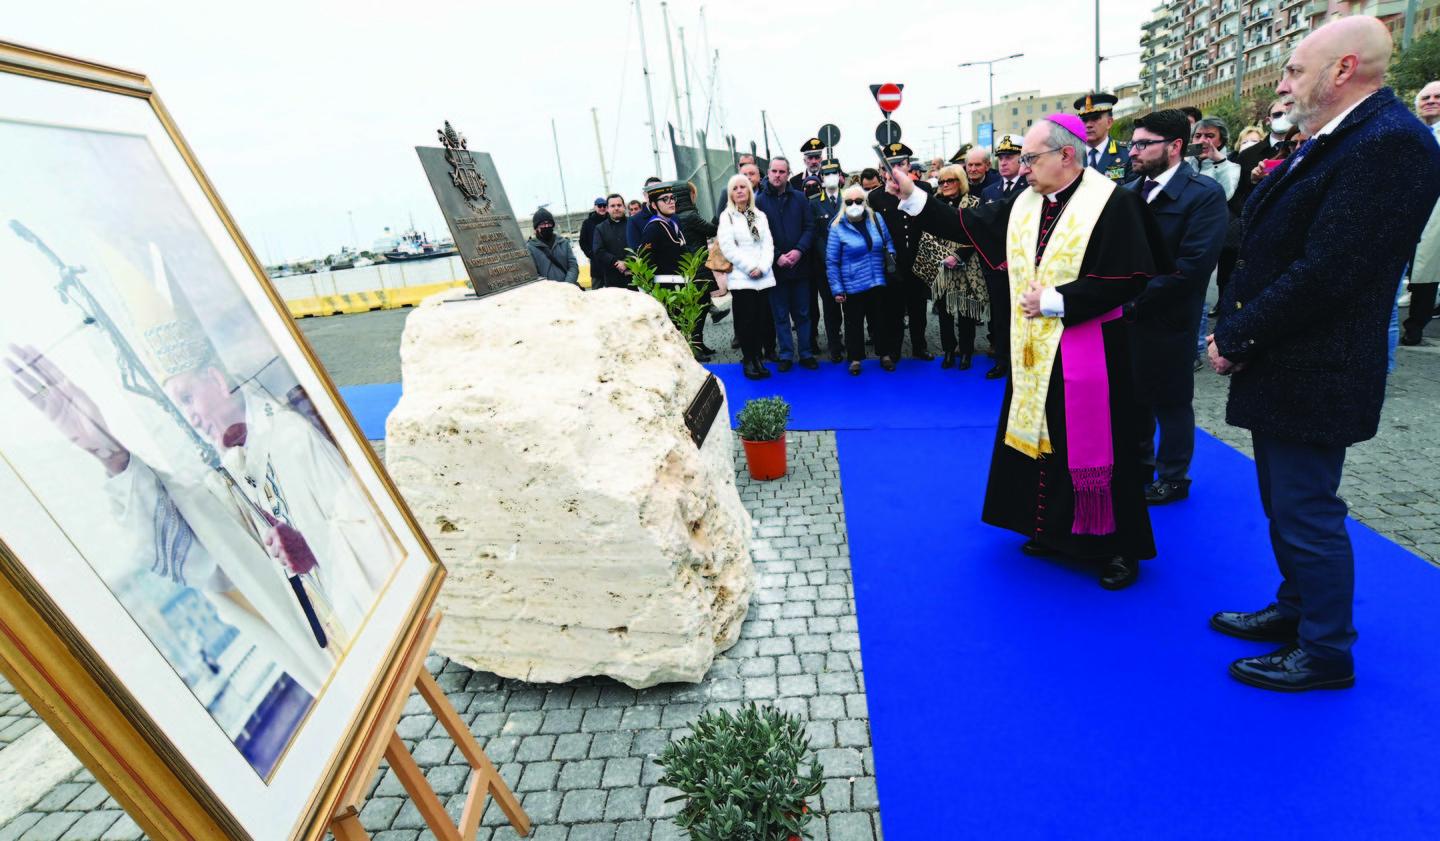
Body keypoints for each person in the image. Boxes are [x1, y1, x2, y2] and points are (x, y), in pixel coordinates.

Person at [5, 251, 400, 694]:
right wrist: (109, 452)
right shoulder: (234, 463)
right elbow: (218, 558)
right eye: (179, 407)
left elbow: (372, 529)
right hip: (335, 650)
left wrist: (312, 555)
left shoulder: (292, 437)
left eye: (189, 397)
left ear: (216, 379)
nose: (190, 416)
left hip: (371, 636)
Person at [1207, 16, 1440, 691]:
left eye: (1294, 72)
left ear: (1343, 70)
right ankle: (1296, 607)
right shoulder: (1341, 137)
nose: (1283, 86)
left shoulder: (1390, 143)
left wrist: (1238, 333)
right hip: (1288, 357)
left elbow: (1330, 270)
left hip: (1318, 361)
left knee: (1308, 508)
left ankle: (1325, 649)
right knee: (1285, 500)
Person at [888, 113, 1171, 590]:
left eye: (1031, 158)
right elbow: (966, 224)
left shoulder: (1112, 203)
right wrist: (912, 196)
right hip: (1034, 349)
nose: (1022, 167)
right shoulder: (1026, 200)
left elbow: (1130, 277)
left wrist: (1060, 300)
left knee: (1098, 444)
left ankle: (1117, 546)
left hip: (1092, 349)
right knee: (1042, 438)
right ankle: (1052, 529)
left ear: (1066, 155)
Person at [1123, 110, 1228, 505]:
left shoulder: (1203, 194)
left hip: (1170, 319)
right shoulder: (1130, 192)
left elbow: (1193, 266)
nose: (1134, 151)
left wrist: (1134, 300)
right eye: (1133, 143)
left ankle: (1173, 476)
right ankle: (1139, 465)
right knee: (1133, 398)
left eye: (1143, 144)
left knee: (1171, 401)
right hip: (1128, 316)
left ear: (1174, 146)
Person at [867, 143, 934, 365]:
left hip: (918, 258)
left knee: (918, 310)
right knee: (893, 310)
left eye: (901, 163)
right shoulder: (876, 197)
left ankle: (919, 347)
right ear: (884, 169)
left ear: (908, 165)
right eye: (892, 164)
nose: (897, 168)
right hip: (893, 263)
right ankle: (894, 349)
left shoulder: (923, 188)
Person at [916, 164, 985, 370]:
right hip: (942, 268)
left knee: (966, 313)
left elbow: (977, 234)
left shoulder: (974, 202)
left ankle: (966, 352)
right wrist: (944, 256)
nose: (945, 185)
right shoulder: (936, 203)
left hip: (966, 267)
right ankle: (948, 350)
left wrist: (958, 255)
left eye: (950, 180)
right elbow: (926, 233)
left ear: (960, 181)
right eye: (941, 182)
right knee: (945, 314)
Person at [755, 157, 818, 371]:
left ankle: (807, 353)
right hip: (776, 270)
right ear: (768, 173)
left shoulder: (801, 199)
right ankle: (786, 355)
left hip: (800, 268)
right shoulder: (759, 203)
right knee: (780, 315)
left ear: (788, 173)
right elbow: (758, 237)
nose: (777, 175)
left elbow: (810, 228)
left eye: (782, 171)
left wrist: (799, 251)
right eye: (774, 171)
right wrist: (777, 256)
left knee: (803, 314)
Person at [825, 184, 895, 376]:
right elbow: (831, 261)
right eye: (849, 201)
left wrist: (891, 254)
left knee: (881, 320)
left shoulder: (876, 218)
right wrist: (837, 289)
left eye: (858, 201)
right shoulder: (837, 226)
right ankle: (855, 359)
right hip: (853, 284)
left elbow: (888, 241)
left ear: (865, 202)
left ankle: (884, 355)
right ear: (843, 204)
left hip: (878, 280)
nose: (854, 204)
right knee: (853, 323)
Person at [717, 173, 777, 380]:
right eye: (735, 188)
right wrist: (750, 267)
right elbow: (727, 247)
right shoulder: (727, 216)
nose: (740, 190)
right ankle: (749, 359)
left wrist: (763, 266)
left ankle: (759, 358)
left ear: (750, 191)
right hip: (742, 278)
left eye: (743, 187)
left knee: (762, 320)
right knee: (746, 321)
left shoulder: (759, 215)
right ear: (731, 194)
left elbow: (767, 244)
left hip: (763, 276)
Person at [980, 135, 1028, 380]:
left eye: (1009, 157)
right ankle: (1002, 359)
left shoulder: (1031, 186)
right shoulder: (989, 190)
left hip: (1024, 265)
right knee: (999, 316)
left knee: (1024, 315)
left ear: (1022, 158)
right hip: (995, 266)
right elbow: (983, 229)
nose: (1004, 162)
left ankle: (1023, 360)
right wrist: (993, 259)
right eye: (1000, 157)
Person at [1402, 80, 1440, 346]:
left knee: (1428, 270)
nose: (1430, 101)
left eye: (1437, 97)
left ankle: (1416, 326)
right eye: (1425, 97)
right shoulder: (1410, 133)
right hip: (1410, 210)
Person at [810, 159, 847, 361]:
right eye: (826, 173)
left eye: (834, 172)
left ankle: (852, 343)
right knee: (831, 308)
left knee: (850, 308)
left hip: (848, 263)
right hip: (825, 265)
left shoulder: (849, 199)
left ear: (840, 176)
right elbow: (815, 234)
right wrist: (829, 258)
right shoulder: (814, 202)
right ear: (821, 179)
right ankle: (835, 347)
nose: (831, 176)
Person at [1074, 92, 1132, 182]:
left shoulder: (1127, 155)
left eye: (1095, 118)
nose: (1088, 125)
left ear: (1109, 122)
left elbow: (1132, 193)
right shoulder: (1071, 157)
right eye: (1084, 120)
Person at [526, 208, 579, 284]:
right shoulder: (530, 248)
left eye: (549, 223)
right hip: (548, 293)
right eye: (543, 224)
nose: (547, 226)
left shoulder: (563, 242)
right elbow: (533, 274)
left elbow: (573, 266)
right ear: (537, 227)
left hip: (568, 289)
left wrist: (567, 285)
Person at [591, 194, 632, 289]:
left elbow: (640, 245)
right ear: (607, 209)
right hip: (612, 279)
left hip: (635, 276)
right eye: (612, 206)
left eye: (619, 205)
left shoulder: (633, 224)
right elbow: (598, 251)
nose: (616, 208)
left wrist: (626, 262)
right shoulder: (600, 228)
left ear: (624, 207)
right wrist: (617, 262)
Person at [577, 197, 607, 284]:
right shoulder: (587, 223)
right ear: (595, 207)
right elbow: (582, 241)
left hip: (611, 263)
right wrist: (590, 254)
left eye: (604, 205)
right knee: (597, 292)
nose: (602, 208)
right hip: (596, 264)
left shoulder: (610, 220)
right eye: (599, 206)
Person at [627, 176, 663, 248]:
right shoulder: (634, 221)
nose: (656, 194)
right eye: (652, 191)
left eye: (659, 191)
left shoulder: (673, 216)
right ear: (645, 195)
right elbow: (636, 249)